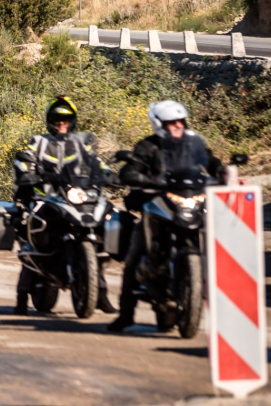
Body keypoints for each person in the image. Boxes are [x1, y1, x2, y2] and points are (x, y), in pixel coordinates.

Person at [108, 100, 222, 333]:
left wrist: (224, 173)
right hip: (159, 204)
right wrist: (138, 178)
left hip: (189, 200)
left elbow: (211, 162)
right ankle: (125, 314)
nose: (178, 125)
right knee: (134, 255)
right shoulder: (148, 146)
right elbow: (131, 170)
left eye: (180, 121)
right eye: (172, 122)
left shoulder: (193, 143)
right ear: (159, 124)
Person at [12, 96, 117, 316]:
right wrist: (29, 172)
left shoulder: (80, 144)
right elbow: (24, 159)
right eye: (57, 119)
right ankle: (22, 297)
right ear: (50, 121)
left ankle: (101, 293)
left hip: (74, 198)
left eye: (66, 119)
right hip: (46, 199)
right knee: (34, 243)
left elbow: (96, 162)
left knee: (96, 236)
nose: (62, 123)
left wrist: (109, 175)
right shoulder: (39, 142)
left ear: (72, 120)